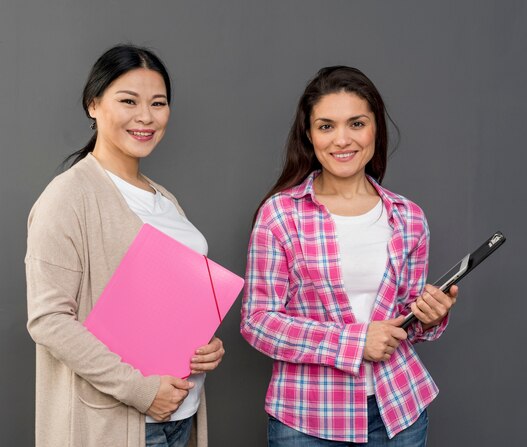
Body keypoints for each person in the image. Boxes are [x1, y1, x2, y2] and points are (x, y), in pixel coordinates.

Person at [241, 66, 458, 446]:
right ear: (309, 135)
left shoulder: (408, 217)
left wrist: (430, 314)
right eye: (326, 126)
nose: (342, 139)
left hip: (400, 410)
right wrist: (355, 343)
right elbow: (258, 322)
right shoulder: (280, 215)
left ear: (376, 129)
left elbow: (405, 322)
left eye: (356, 124)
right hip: (308, 419)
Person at [25, 44, 224, 447]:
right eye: (128, 101)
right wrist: (142, 391)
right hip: (119, 423)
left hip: (180, 414)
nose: (146, 117)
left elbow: (171, 301)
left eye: (158, 103)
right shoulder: (68, 197)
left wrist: (207, 345)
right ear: (93, 104)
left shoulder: (164, 198)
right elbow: (48, 320)